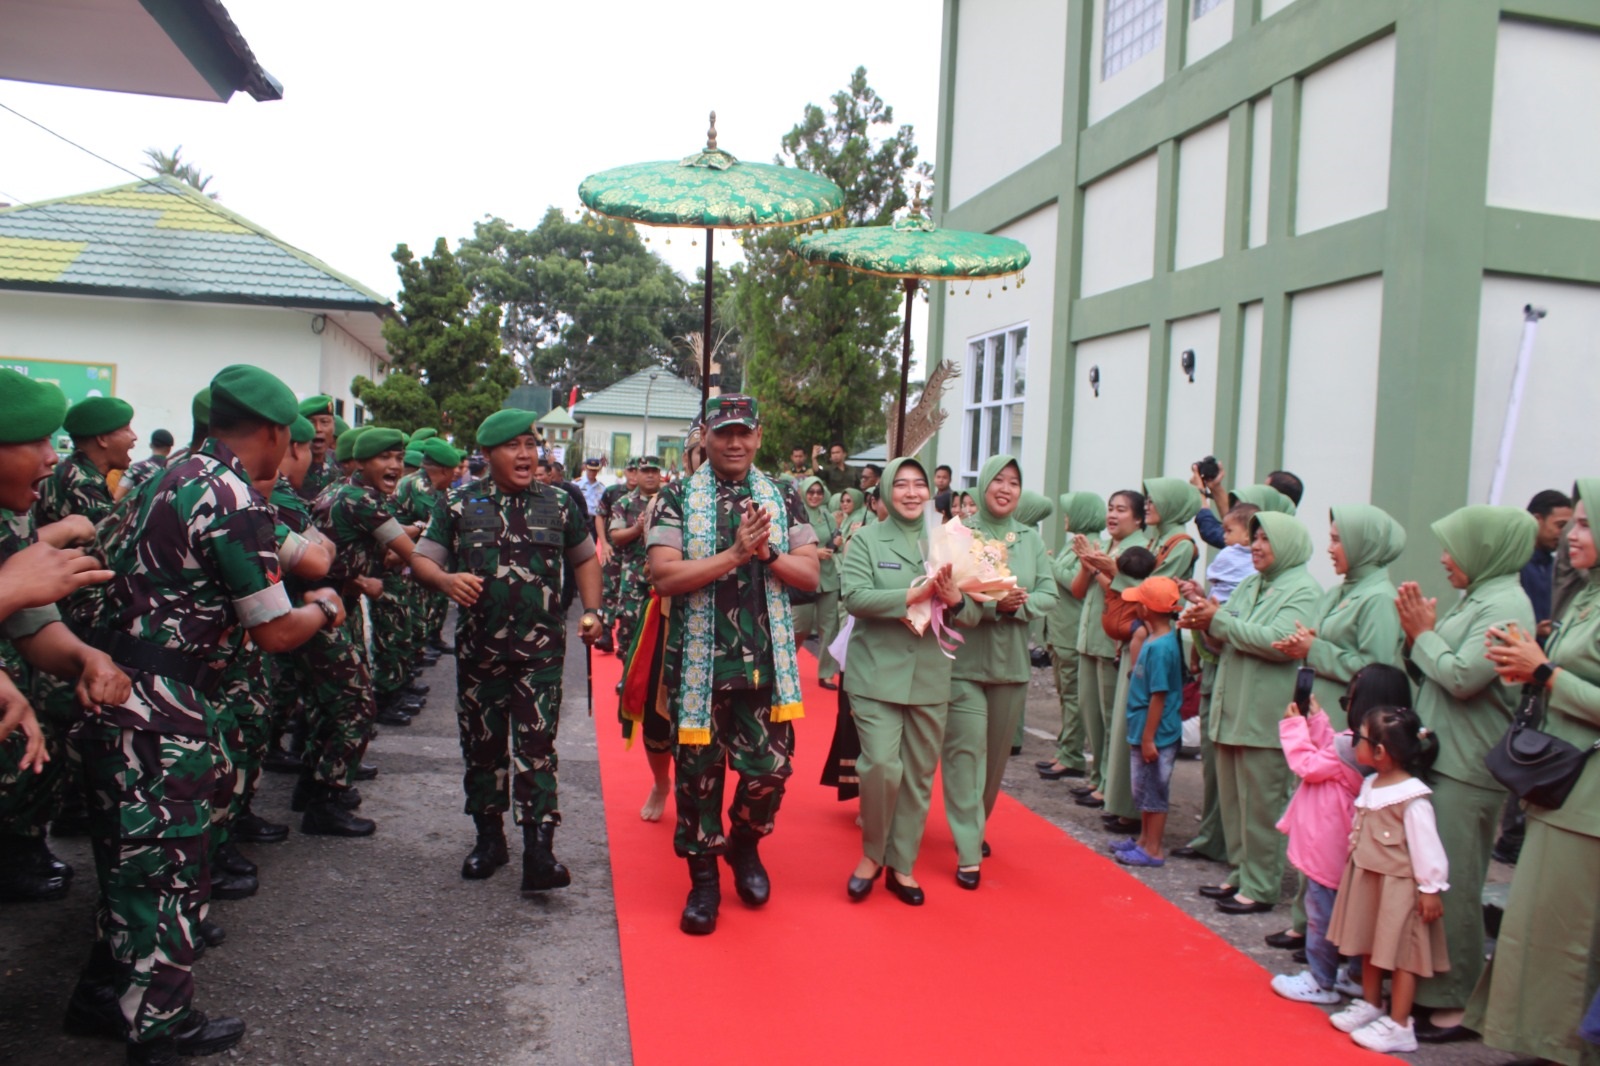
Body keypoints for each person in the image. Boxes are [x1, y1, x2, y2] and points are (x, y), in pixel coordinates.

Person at [66, 365, 342, 1065]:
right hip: (162, 706)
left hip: (110, 689)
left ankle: (104, 994)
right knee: (168, 871)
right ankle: (159, 1028)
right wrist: (325, 609)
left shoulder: (163, 474)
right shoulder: (236, 497)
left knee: (129, 861)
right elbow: (275, 631)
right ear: (278, 432)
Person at [646, 394, 819, 935]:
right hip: (700, 667)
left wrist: (767, 555)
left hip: (765, 670)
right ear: (707, 438)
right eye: (723, 433)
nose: (735, 442)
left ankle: (744, 845)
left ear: (759, 437)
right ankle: (703, 880)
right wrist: (735, 556)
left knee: (769, 772)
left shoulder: (783, 497)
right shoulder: (676, 496)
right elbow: (664, 576)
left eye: (744, 432)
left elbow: (810, 577)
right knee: (698, 781)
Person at [412, 409, 603, 891]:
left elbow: (584, 558)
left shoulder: (560, 503)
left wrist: (594, 611)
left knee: (536, 746)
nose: (525, 455)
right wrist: (445, 579)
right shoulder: (458, 504)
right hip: (480, 651)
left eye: (530, 444)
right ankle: (489, 838)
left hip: (541, 652)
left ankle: (540, 850)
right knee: (483, 746)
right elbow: (422, 560)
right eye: (513, 446)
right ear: (488, 453)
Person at [1469, 479, 1600, 1065]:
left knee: (1570, 933)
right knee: (1538, 925)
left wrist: (1545, 673)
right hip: (1561, 783)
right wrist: (1528, 667)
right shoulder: (1586, 595)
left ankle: (1563, 1046)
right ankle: (1540, 1040)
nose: (1572, 533)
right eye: (1573, 522)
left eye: (1586, 523)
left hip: (1588, 795)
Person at [1396, 504, 1535, 1039]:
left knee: (1452, 884)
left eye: (1455, 548)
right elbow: (1434, 662)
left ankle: (1456, 1000)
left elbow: (1461, 677)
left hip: (1467, 765)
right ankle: (1427, 985)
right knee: (1428, 880)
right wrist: (1419, 637)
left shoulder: (1506, 606)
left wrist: (1423, 635)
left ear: (1485, 549)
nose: (1444, 559)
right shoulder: (1477, 597)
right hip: (1439, 755)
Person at [841, 457, 974, 906]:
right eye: (902, 485)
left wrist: (957, 600)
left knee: (918, 774)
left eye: (920, 484)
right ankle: (872, 855)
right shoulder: (865, 541)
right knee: (880, 766)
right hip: (875, 671)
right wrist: (909, 595)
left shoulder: (949, 542)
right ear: (885, 492)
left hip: (932, 673)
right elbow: (854, 597)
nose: (913, 492)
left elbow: (974, 610)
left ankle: (902, 865)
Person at [1181, 511, 1322, 914]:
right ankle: (1241, 872)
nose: (1255, 546)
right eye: (1254, 538)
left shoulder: (1304, 591)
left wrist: (1219, 621)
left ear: (1289, 545)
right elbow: (1225, 636)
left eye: (1265, 540)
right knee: (1236, 803)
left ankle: (1261, 885)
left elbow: (1279, 641)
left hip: (1264, 714)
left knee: (1263, 804)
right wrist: (1203, 622)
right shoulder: (1250, 585)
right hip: (1233, 707)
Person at [298, 427, 421, 834]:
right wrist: (450, 575)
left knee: (327, 702)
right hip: (323, 611)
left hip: (326, 606)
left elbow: (371, 555)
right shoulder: (362, 501)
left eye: (399, 457)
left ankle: (312, 785)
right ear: (363, 463)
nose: (395, 466)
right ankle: (325, 799)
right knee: (356, 703)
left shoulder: (338, 492)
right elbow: (410, 556)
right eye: (385, 458)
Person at [941, 455, 1056, 888]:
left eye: (1014, 482)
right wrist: (991, 607)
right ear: (983, 485)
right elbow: (947, 594)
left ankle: (975, 821)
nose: (1006, 488)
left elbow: (1049, 592)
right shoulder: (958, 534)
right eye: (999, 481)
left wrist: (1021, 605)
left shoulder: (1028, 538)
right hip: (964, 663)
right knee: (964, 754)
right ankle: (969, 848)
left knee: (993, 764)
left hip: (1011, 666)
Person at [1326, 705, 1449, 1054]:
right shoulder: (1371, 783)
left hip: (1397, 887)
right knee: (1369, 944)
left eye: (1359, 738)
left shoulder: (1412, 799)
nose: (1354, 743)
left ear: (1380, 752)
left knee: (1400, 955)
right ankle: (1371, 1002)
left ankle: (1399, 1024)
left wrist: (1430, 887)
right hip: (1368, 881)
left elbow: (1426, 846)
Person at [1171, 502, 1259, 863]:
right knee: (1214, 763)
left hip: (1242, 685)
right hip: (1215, 670)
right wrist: (1199, 601)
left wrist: (1213, 617)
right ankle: (1214, 836)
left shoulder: (1262, 580)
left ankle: (1243, 857)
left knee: (1245, 780)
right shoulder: (1236, 569)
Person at [1275, 505, 1407, 727]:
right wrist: (1304, 641)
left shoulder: (1379, 598)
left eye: (1337, 541)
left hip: (1346, 724)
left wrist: (1313, 648)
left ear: (1362, 544)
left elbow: (1375, 672)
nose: (1329, 549)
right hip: (1317, 718)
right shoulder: (1339, 592)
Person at [1068, 490, 1146, 810]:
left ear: (1139, 518)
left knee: (1110, 716)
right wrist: (1088, 565)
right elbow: (1077, 590)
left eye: (1122, 510)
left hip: (1112, 642)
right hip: (1089, 638)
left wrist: (1099, 567)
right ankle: (1098, 776)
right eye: (1111, 509)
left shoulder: (1137, 549)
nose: (1113, 515)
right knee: (1091, 714)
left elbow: (1128, 592)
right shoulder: (1107, 545)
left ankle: (1109, 785)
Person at [1107, 576, 1186, 867]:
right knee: (1143, 788)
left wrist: (1149, 737)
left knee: (1154, 791)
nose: (1136, 606)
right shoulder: (1156, 639)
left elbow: (1159, 696)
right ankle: (1143, 839)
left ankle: (1153, 847)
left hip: (1157, 733)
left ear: (1148, 609)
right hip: (1146, 729)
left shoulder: (1162, 647)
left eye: (1140, 602)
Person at [1038, 492, 1105, 781]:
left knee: (1074, 697)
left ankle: (1072, 755)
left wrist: (1049, 564)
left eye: (1069, 512)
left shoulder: (1089, 544)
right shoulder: (1074, 542)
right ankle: (1066, 749)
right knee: (1066, 696)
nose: (1064, 518)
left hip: (1071, 630)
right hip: (1060, 630)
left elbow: (1073, 584)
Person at [792, 476, 843, 689]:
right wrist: (814, 552)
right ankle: (783, 664)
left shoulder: (827, 516)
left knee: (829, 627)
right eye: (811, 491)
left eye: (818, 492)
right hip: (804, 576)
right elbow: (788, 543)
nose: (814, 496)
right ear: (803, 491)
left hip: (829, 577)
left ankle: (826, 674)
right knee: (800, 626)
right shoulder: (795, 513)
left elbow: (836, 542)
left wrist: (836, 544)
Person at [610, 456, 662, 659]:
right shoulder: (624, 502)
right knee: (628, 627)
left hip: (661, 574)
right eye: (645, 471)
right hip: (633, 575)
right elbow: (616, 537)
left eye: (654, 471)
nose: (650, 476)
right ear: (637, 474)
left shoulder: (670, 500)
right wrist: (637, 528)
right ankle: (627, 676)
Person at [1522, 488, 1573, 644]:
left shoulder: (1558, 567)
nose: (1566, 534)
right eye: (1560, 525)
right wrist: (1534, 630)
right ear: (1537, 520)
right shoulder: (1513, 566)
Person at [295, 395, 340, 501]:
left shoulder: (340, 463)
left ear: (334, 425)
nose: (318, 429)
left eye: (324, 422)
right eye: (311, 422)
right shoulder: (291, 465)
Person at [113, 427, 174, 502]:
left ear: (151, 445)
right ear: (169, 449)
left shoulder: (135, 469)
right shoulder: (175, 470)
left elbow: (117, 498)